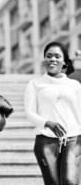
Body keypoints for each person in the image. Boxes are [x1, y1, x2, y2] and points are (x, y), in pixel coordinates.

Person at [24, 41, 81, 185]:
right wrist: (48, 123)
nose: (52, 59)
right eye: (48, 56)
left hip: (73, 139)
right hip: (46, 141)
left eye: (57, 56)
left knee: (70, 181)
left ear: (64, 61)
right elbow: (30, 113)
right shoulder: (35, 84)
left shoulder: (74, 85)